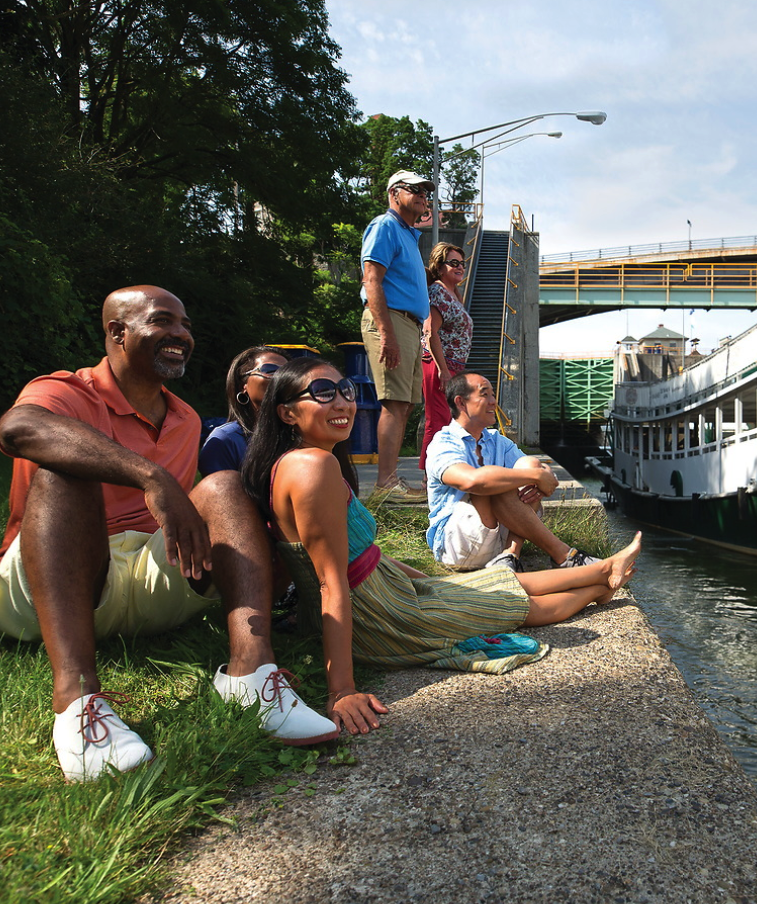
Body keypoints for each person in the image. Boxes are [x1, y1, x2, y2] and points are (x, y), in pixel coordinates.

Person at [0, 286, 337, 783]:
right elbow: (17, 428)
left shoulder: (183, 418)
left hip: (146, 575)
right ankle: (78, 705)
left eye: (185, 325)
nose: (181, 334)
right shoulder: (66, 390)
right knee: (62, 472)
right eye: (163, 321)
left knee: (224, 485)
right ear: (117, 332)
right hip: (49, 585)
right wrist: (150, 475)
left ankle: (252, 676)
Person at [240, 357, 642, 735]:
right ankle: (600, 584)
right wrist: (341, 690)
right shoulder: (314, 467)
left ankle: (602, 571)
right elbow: (331, 583)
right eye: (323, 392)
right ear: (287, 412)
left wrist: (418, 581)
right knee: (503, 605)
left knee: (476, 587)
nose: (342, 401)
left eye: (344, 390)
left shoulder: (299, 461)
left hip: (384, 589)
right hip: (378, 615)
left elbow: (355, 557)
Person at [425, 373, 601, 573]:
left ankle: (510, 556)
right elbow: (472, 482)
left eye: (493, 394)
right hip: (457, 545)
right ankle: (562, 554)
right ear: (461, 403)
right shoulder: (443, 443)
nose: (494, 401)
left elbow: (543, 475)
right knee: (493, 480)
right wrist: (534, 477)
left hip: (498, 538)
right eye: (485, 395)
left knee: (529, 463)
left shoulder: (496, 440)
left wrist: (537, 477)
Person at [360, 169, 434, 502]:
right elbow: (372, 280)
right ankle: (385, 484)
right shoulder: (385, 226)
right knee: (393, 403)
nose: (422, 195)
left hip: (408, 324)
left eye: (425, 192)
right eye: (415, 189)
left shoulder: (408, 234)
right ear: (394, 193)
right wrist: (387, 334)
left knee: (403, 405)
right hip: (391, 321)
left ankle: (390, 481)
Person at [419, 242, 473, 473]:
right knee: (438, 420)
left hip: (453, 366)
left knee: (449, 421)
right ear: (440, 267)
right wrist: (443, 370)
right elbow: (430, 333)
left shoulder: (454, 293)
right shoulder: (439, 291)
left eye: (462, 263)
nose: (460, 267)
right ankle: (429, 476)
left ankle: (444, 469)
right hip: (440, 364)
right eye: (453, 263)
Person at [199, 346, 289, 475]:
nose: (280, 378)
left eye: (287, 372)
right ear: (243, 385)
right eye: (270, 370)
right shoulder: (226, 440)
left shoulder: (299, 437)